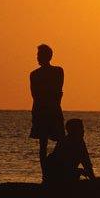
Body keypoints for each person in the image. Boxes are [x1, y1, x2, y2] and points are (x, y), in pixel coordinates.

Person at [30, 44, 65, 183]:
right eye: (38, 55)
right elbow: (36, 94)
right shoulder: (35, 74)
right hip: (44, 111)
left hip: (49, 110)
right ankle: (46, 174)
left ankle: (52, 169)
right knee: (44, 144)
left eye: (40, 55)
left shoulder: (57, 71)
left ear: (48, 56)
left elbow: (57, 91)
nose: (38, 58)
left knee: (59, 141)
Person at [44, 118, 95, 184]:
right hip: (59, 175)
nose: (83, 131)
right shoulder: (69, 142)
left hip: (61, 173)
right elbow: (62, 165)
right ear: (74, 130)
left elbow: (86, 163)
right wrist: (81, 172)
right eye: (81, 129)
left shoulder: (74, 141)